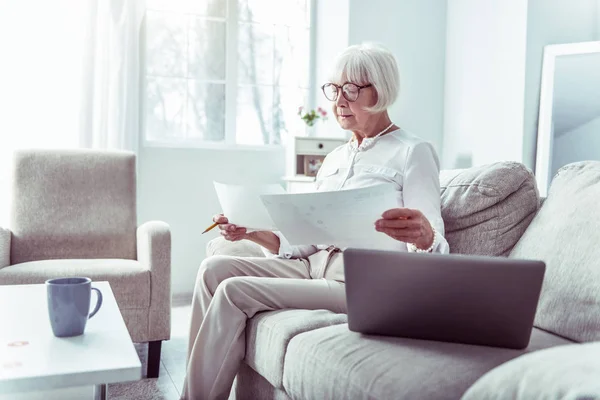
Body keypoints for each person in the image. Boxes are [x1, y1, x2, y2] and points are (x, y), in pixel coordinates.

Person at [181, 42, 450, 400]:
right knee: (214, 269)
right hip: (312, 266)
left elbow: (436, 241)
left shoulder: (412, 151)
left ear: (381, 90)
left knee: (234, 291)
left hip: (358, 281)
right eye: (335, 89)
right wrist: (252, 230)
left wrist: (423, 234)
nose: (340, 100)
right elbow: (302, 243)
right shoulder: (335, 158)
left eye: (352, 89)